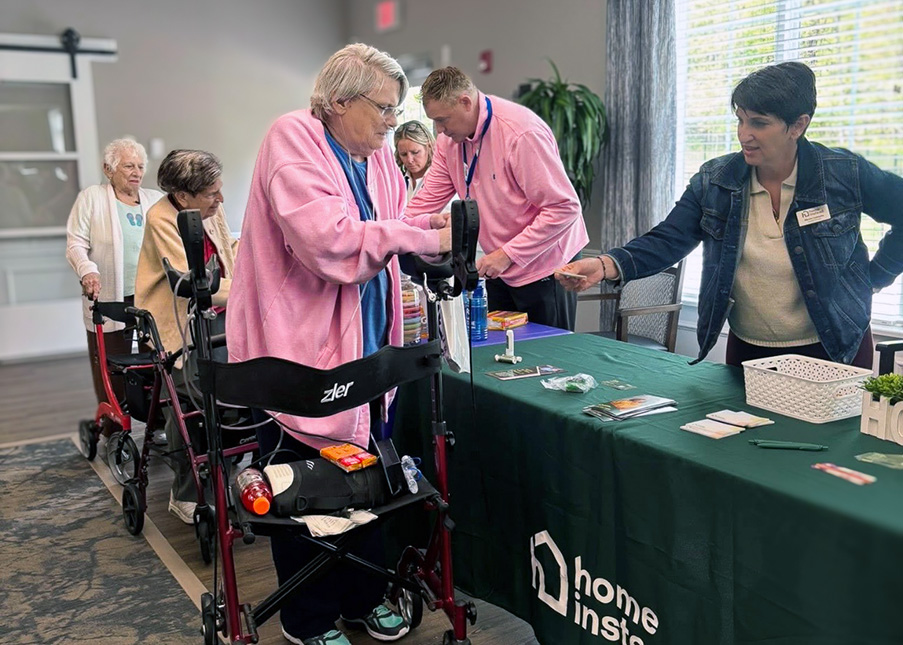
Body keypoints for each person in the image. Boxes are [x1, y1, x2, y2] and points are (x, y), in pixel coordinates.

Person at [226, 44, 450, 645]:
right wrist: (416, 233)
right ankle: (309, 619)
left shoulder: (374, 156)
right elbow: (330, 245)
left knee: (371, 483)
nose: (390, 122)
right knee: (303, 493)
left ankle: (364, 597)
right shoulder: (291, 139)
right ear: (340, 101)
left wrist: (439, 232)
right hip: (298, 358)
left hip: (370, 350)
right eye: (382, 108)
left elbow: (395, 226)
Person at [557, 61, 903, 368]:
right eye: (740, 119)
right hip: (750, 350)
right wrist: (605, 266)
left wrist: (873, 278)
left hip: (834, 346)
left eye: (759, 123)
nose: (744, 134)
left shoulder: (845, 173)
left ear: (797, 125)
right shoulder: (715, 180)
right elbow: (668, 239)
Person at [403, 66, 588, 331]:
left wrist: (508, 254)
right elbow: (422, 203)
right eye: (434, 121)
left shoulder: (521, 134)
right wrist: (392, 232)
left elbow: (564, 208)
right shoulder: (449, 142)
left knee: (547, 360)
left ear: (466, 102)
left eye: (443, 120)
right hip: (499, 264)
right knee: (499, 355)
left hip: (546, 263)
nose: (439, 130)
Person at [135, 149, 239, 524]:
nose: (221, 199)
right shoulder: (162, 218)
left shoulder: (212, 207)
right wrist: (250, 286)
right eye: (212, 193)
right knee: (186, 400)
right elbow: (188, 281)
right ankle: (186, 493)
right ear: (183, 197)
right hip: (175, 322)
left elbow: (226, 253)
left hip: (218, 315)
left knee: (236, 389)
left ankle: (232, 468)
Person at [65, 139, 164, 422]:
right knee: (110, 365)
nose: (137, 172)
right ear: (108, 169)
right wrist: (88, 270)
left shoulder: (155, 199)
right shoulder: (92, 198)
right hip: (109, 296)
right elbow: (76, 244)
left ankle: (155, 421)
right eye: (129, 166)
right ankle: (114, 426)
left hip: (150, 295)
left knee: (155, 362)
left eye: (141, 166)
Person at [394, 120, 435, 201]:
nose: (409, 160)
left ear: (429, 147)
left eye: (415, 152)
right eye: (403, 154)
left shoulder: (441, 178)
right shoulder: (396, 180)